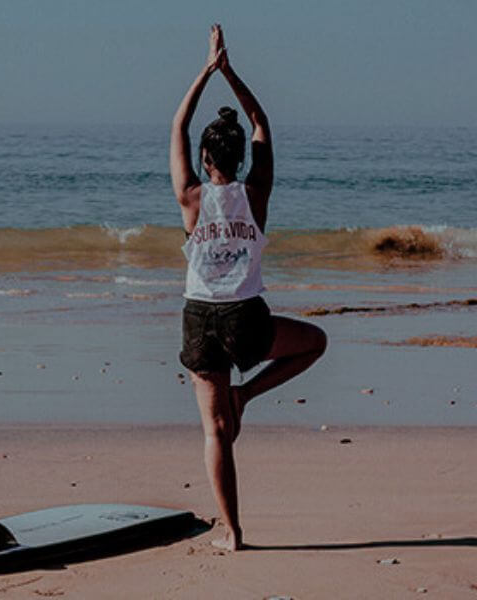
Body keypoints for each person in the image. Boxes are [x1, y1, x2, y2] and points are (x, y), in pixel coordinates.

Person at [169, 24, 327, 551]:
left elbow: (178, 123)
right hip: (246, 319)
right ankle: (248, 392)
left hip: (200, 318)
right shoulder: (256, 193)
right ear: (238, 159)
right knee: (315, 343)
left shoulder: (190, 197)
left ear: (205, 159)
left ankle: (233, 533)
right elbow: (259, 121)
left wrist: (205, 71)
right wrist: (230, 72)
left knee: (215, 432)